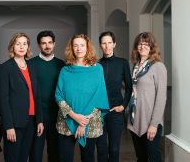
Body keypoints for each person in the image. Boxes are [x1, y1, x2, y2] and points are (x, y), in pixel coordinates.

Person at [55, 34, 109, 162]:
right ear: (72, 49)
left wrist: (83, 122)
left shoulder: (97, 69)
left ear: (88, 47)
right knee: (64, 158)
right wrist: (74, 116)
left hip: (90, 122)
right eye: (75, 45)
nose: (79, 48)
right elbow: (58, 95)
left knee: (88, 158)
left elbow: (99, 97)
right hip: (66, 122)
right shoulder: (65, 70)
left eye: (82, 45)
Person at [0, 33, 44, 162]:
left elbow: (37, 95)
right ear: (12, 46)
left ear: (28, 47)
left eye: (24, 43)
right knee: (13, 158)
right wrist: (8, 126)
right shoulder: (5, 68)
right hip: (14, 123)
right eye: (18, 43)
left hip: (31, 121)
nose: (21, 46)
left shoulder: (32, 66)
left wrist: (39, 120)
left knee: (24, 158)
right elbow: (3, 99)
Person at [128, 32, 167, 162]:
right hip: (135, 120)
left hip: (150, 121)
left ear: (152, 47)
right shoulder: (136, 66)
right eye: (140, 43)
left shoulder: (158, 66)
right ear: (136, 47)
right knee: (141, 157)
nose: (143, 46)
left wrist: (154, 124)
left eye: (146, 44)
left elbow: (161, 98)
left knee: (153, 156)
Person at [29, 30, 65, 162]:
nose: (47, 46)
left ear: (54, 44)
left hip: (57, 114)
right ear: (39, 45)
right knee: (35, 153)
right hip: (37, 114)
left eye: (50, 42)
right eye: (43, 43)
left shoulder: (61, 65)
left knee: (55, 152)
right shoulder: (31, 64)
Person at [97, 31, 132, 162]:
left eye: (109, 43)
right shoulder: (96, 64)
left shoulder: (122, 63)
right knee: (101, 149)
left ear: (114, 44)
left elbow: (129, 87)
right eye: (104, 43)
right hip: (99, 112)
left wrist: (123, 106)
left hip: (116, 112)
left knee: (114, 149)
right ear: (100, 45)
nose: (107, 46)